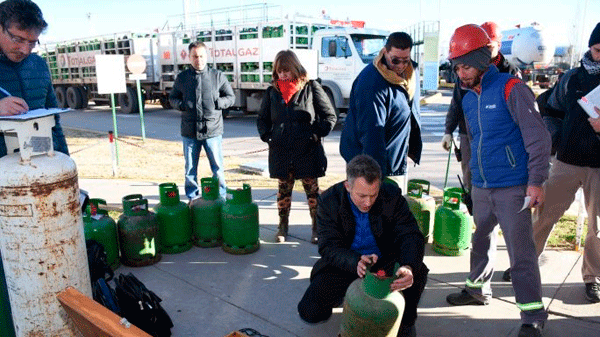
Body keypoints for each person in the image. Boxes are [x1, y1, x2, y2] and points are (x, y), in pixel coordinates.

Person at [444, 24, 551, 337]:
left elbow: (538, 139)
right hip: (482, 186)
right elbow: (476, 139)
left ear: (481, 62)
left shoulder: (511, 88)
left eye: (465, 66)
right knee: (481, 239)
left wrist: (536, 182)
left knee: (521, 255)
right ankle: (477, 289)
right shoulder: (465, 97)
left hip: (514, 188)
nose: (461, 73)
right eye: (457, 66)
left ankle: (532, 315)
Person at [297, 154, 428, 337]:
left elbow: (410, 235)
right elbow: (328, 247)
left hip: (385, 260)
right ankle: (346, 298)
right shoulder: (329, 201)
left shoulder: (392, 196)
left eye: (373, 195)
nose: (368, 202)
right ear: (347, 186)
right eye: (361, 195)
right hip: (348, 262)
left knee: (418, 271)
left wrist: (408, 265)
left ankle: (405, 320)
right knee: (310, 311)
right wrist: (354, 261)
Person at [528, 22, 600, 303]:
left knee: (597, 226)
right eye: (597, 50)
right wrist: (555, 139)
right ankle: (526, 264)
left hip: (599, 167)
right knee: (545, 214)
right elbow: (551, 110)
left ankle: (592, 277)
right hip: (567, 162)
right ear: (590, 47)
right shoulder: (571, 78)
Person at [257, 50, 337, 244]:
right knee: (283, 192)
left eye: (286, 70)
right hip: (282, 152)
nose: (283, 75)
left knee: (313, 194)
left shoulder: (311, 87)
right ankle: (282, 227)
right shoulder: (272, 92)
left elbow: (329, 116)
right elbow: (262, 120)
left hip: (307, 151)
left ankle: (317, 228)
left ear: (295, 68)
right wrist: (269, 138)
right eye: (279, 71)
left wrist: (316, 134)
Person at [441, 21, 520, 194]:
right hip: (468, 133)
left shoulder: (510, 72)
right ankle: (474, 208)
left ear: (498, 45)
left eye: (489, 46)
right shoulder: (465, 69)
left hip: (499, 135)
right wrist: (448, 130)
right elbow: (456, 102)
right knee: (471, 174)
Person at [339, 32, 422, 193]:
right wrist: (374, 177)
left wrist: (412, 148)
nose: (401, 65)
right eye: (395, 60)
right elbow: (371, 133)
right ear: (385, 52)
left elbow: (410, 111)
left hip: (395, 161)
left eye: (406, 60)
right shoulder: (372, 83)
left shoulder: (411, 73)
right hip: (370, 165)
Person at [0, 0, 68, 157]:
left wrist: (64, 160)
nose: (25, 50)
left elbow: (54, 121)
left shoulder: (39, 65)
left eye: (32, 42)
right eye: (18, 40)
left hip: (39, 163)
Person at [169, 41, 235, 200]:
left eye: (201, 56)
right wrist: (181, 105)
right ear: (189, 57)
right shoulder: (182, 78)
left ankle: (221, 197)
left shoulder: (217, 76)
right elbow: (172, 98)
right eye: (195, 56)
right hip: (190, 132)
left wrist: (219, 103)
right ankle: (192, 198)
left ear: (206, 56)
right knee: (190, 169)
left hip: (212, 131)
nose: (198, 59)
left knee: (217, 168)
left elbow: (231, 97)